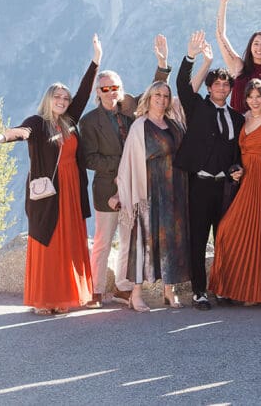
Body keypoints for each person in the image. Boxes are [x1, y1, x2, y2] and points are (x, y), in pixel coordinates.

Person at [0, 36, 102, 315]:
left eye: (65, 98)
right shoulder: (37, 122)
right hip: (49, 194)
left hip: (71, 190)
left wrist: (96, 60)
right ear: (48, 99)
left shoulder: (70, 120)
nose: (62, 101)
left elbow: (83, 93)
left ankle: (65, 296)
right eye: (57, 97)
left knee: (68, 244)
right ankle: (45, 299)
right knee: (49, 242)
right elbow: (19, 133)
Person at [79, 35, 172, 307]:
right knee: (103, 241)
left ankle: (122, 286)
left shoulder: (129, 112)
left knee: (129, 240)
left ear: (120, 89)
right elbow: (89, 159)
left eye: (114, 88)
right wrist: (121, 164)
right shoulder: (90, 121)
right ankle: (96, 291)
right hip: (107, 188)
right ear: (98, 92)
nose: (110, 92)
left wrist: (162, 64)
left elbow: (155, 94)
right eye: (105, 88)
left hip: (132, 186)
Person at [175, 31, 245, 310]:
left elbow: (235, 152)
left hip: (224, 186)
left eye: (225, 86)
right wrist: (192, 57)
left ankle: (223, 288)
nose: (221, 89)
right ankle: (199, 292)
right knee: (199, 240)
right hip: (200, 185)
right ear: (209, 88)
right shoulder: (196, 108)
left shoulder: (237, 118)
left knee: (224, 240)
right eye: (216, 85)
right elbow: (181, 85)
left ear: (230, 90)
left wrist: (236, 169)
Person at [111, 81, 190, 311]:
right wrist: (123, 193)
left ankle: (169, 291)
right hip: (149, 191)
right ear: (149, 97)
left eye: (166, 96)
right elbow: (129, 162)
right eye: (157, 95)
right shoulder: (140, 126)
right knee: (144, 241)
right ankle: (135, 294)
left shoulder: (174, 125)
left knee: (172, 240)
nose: (162, 99)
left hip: (174, 189)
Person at [207, 79, 261, 305]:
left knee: (259, 233)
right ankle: (233, 287)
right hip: (244, 178)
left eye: (259, 96)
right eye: (250, 97)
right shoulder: (243, 118)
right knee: (226, 231)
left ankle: (256, 292)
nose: (254, 101)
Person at [215, 0, 261, 113]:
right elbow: (220, 35)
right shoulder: (239, 67)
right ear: (250, 47)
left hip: (260, 130)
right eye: (256, 43)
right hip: (236, 127)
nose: (259, 48)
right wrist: (223, 3)